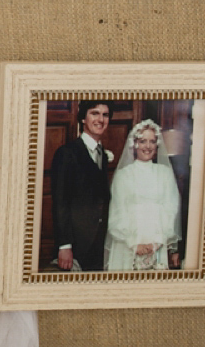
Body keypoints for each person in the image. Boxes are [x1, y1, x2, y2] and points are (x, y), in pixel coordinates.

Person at [104, 120, 182, 271]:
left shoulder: (165, 173)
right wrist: (133, 243)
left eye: (152, 141)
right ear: (134, 144)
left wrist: (158, 241)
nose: (148, 146)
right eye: (142, 141)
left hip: (157, 243)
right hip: (128, 243)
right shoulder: (123, 175)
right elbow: (117, 212)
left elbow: (171, 208)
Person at [50, 101, 113, 271]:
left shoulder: (104, 155)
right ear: (83, 118)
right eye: (95, 113)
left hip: (100, 243)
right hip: (76, 245)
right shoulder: (67, 153)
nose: (100, 119)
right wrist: (64, 246)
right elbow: (60, 202)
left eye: (105, 115)